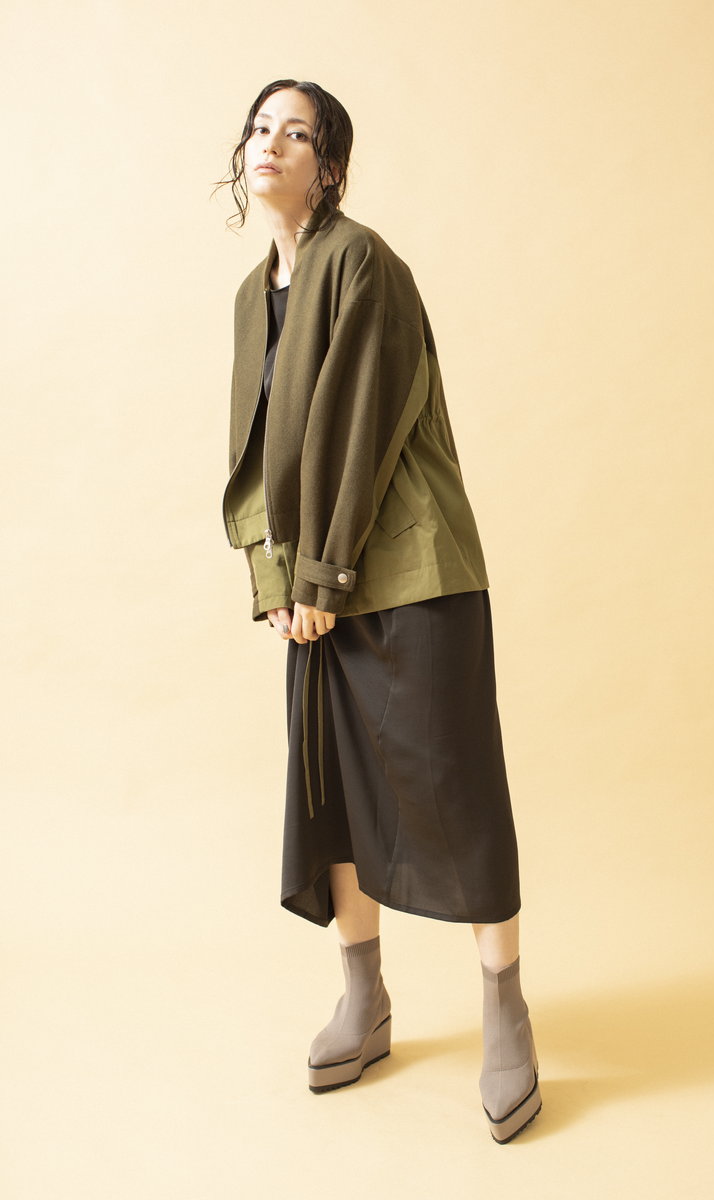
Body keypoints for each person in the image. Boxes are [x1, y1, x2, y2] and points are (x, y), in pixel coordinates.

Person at [214, 78, 541, 1144]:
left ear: (331, 168)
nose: (270, 143)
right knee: (332, 791)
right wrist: (278, 587)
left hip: (407, 567)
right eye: (259, 128)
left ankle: (505, 1009)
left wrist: (318, 580)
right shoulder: (252, 294)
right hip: (319, 581)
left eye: (295, 133)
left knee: (455, 786)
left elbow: (357, 427)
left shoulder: (361, 261)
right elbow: (258, 455)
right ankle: (365, 997)